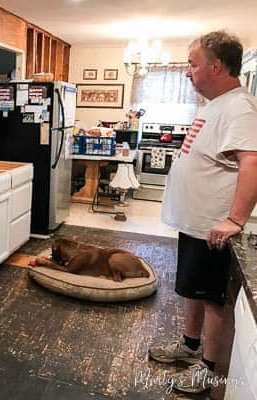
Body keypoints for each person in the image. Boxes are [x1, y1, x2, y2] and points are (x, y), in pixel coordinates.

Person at [148, 31, 257, 394]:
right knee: (193, 290)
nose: (187, 71)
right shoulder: (215, 104)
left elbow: (252, 162)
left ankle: (207, 371)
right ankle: (189, 346)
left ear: (216, 66)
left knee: (213, 300)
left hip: (214, 227)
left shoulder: (239, 107)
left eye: (193, 64)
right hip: (196, 224)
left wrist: (235, 219)